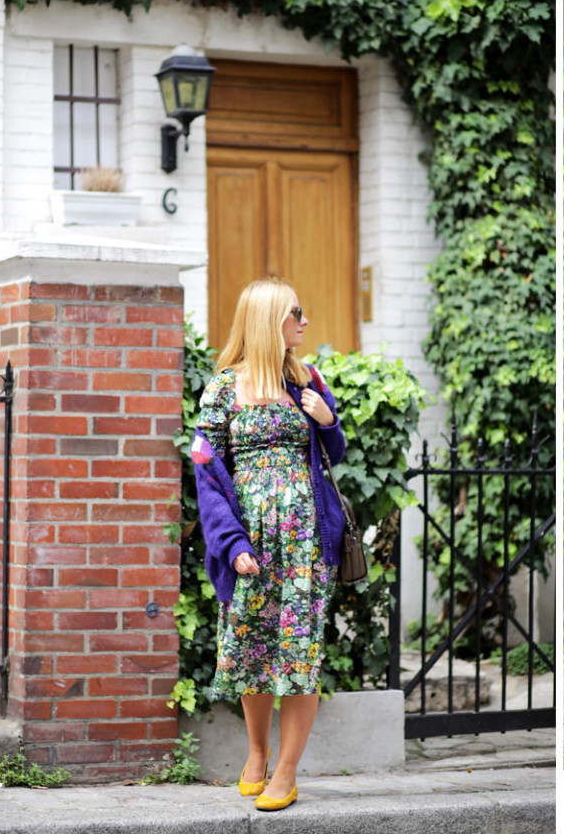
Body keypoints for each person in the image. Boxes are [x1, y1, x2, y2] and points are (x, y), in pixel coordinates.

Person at [190, 277, 346, 812]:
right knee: (253, 651)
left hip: (305, 546)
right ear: (267, 319)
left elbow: (336, 450)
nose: (304, 321)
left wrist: (328, 422)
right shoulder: (222, 389)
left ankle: (286, 770)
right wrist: (231, 543)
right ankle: (256, 753)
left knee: (300, 656)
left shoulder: (307, 380)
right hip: (251, 544)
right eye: (294, 312)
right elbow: (207, 476)